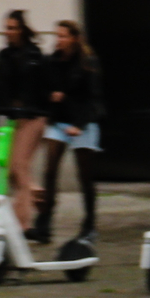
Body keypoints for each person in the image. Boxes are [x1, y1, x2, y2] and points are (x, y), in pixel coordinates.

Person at [33, 18, 105, 245]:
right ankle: (44, 222)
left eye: (63, 36)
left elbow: (94, 99)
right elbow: (42, 88)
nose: (59, 40)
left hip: (83, 122)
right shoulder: (51, 62)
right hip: (60, 121)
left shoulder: (87, 63)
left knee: (85, 175)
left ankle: (90, 223)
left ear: (74, 38)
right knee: (50, 169)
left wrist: (79, 124)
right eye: (57, 36)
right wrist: (50, 97)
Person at [0, 10, 51, 230]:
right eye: (6, 27)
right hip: (14, 119)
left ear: (21, 30)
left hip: (33, 118)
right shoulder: (3, 56)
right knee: (13, 170)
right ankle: (34, 192)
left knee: (19, 166)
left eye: (12, 28)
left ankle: (21, 225)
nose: (7, 32)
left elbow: (44, 88)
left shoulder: (35, 55)